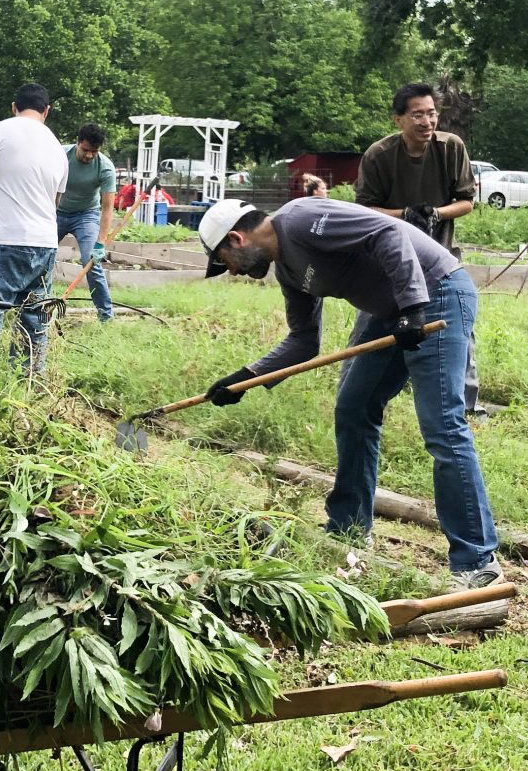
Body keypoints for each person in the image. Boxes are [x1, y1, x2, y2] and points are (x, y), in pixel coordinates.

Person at [197, 194, 502, 588]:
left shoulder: (301, 219)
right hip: (392, 311)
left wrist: (412, 307)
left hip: (438, 292)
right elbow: (304, 341)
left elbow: (389, 232)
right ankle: (349, 529)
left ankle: (477, 562)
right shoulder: (288, 272)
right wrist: (246, 377)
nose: (233, 273)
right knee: (354, 407)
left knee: (442, 425)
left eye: (225, 263)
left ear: (236, 239)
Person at [360, 83, 481, 414]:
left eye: (431, 113)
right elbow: (364, 209)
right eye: (417, 115)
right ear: (398, 119)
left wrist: (436, 213)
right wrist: (404, 216)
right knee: (370, 327)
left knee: (459, 329)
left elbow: (467, 202)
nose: (427, 122)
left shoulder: (451, 147)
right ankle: (359, 396)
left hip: (440, 256)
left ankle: (470, 407)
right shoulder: (379, 156)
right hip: (388, 261)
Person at [0, 84, 68, 373]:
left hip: (7, 240)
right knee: (34, 318)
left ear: (14, 107)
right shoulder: (59, 148)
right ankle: (29, 381)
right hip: (45, 244)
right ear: (46, 111)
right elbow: (54, 201)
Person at [55, 122, 118, 323]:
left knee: (91, 262)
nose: (90, 155)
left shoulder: (105, 167)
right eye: (86, 150)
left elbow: (107, 208)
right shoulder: (59, 155)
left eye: (95, 151)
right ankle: (35, 306)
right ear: (77, 143)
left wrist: (100, 242)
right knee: (41, 257)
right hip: (56, 212)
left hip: (86, 215)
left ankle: (106, 316)